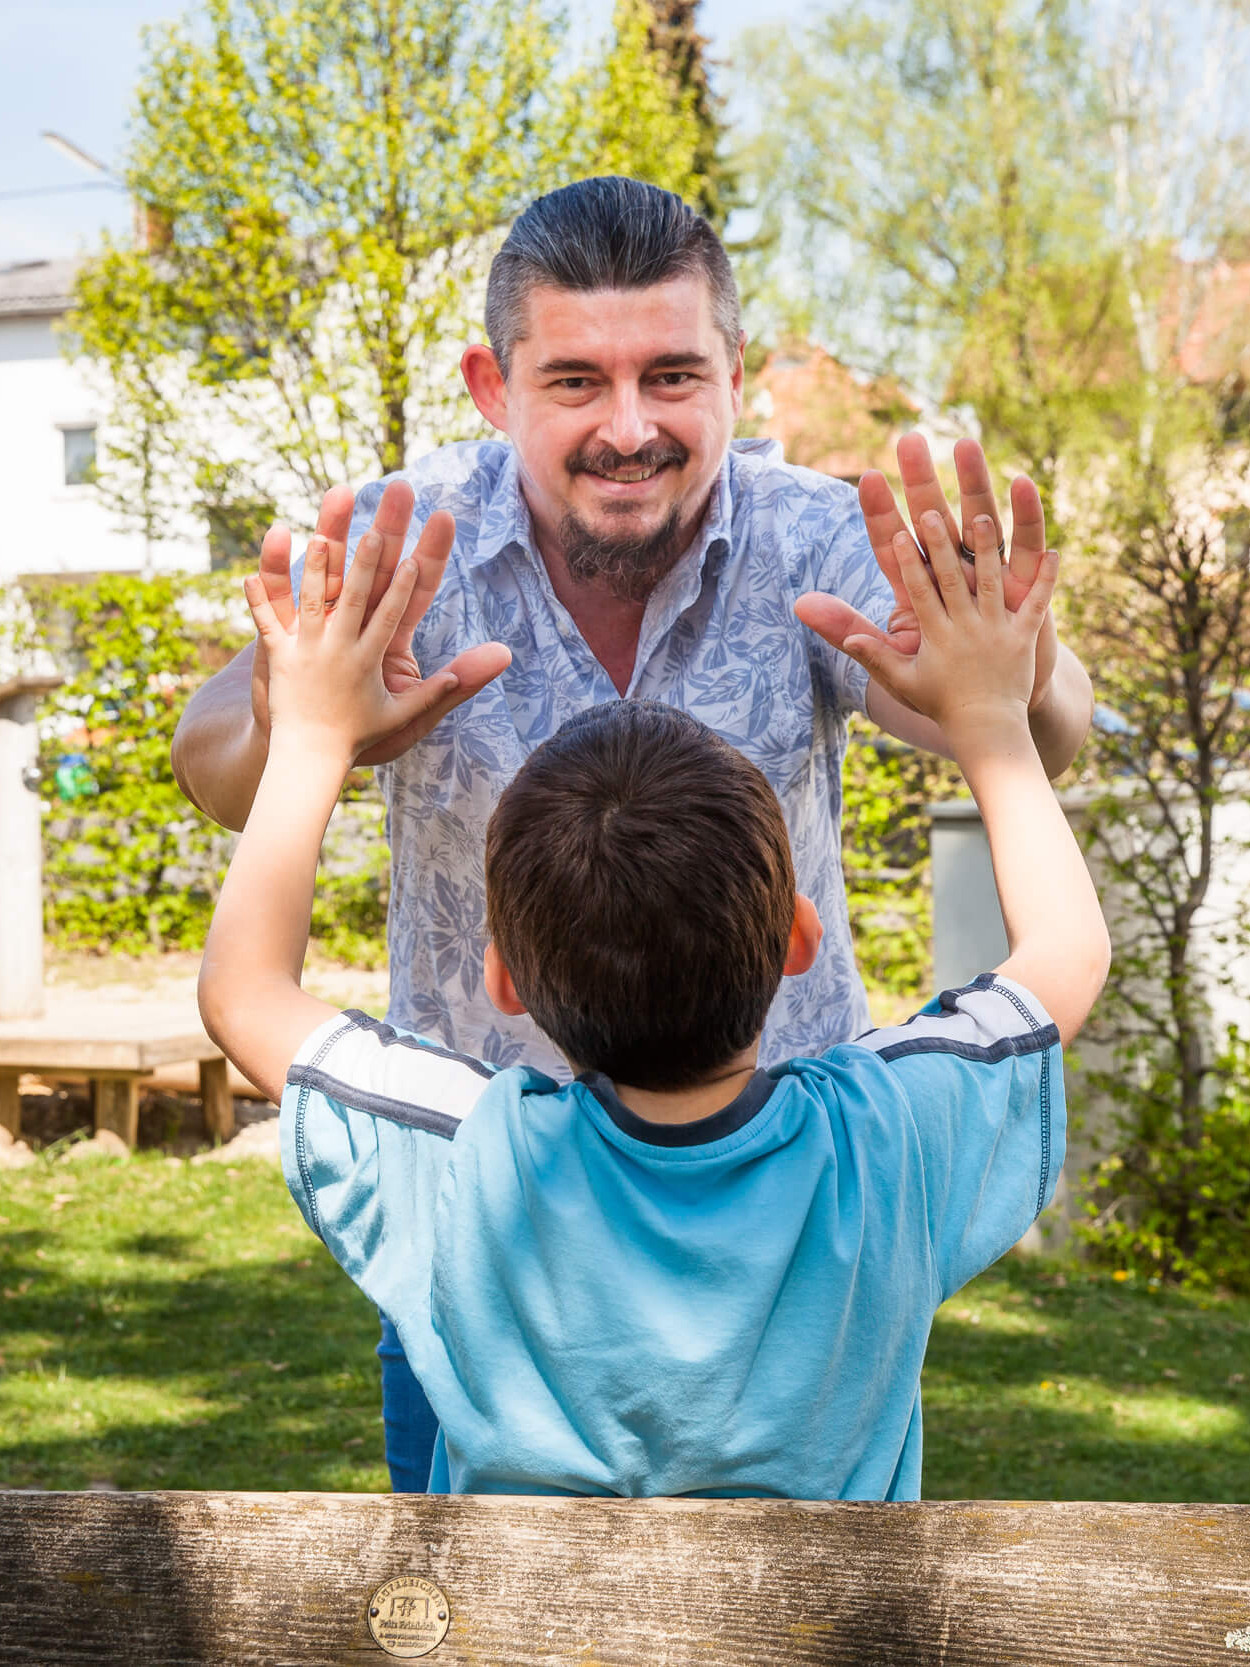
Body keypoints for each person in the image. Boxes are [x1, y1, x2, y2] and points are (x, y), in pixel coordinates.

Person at [174, 176, 1095, 1488]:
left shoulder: (823, 535)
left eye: (670, 376)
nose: (627, 427)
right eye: (573, 383)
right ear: (492, 389)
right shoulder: (393, 543)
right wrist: (293, 716)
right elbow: (208, 759)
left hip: (715, 1236)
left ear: (733, 373)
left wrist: (1020, 672)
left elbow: (1046, 722)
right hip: (539, 1248)